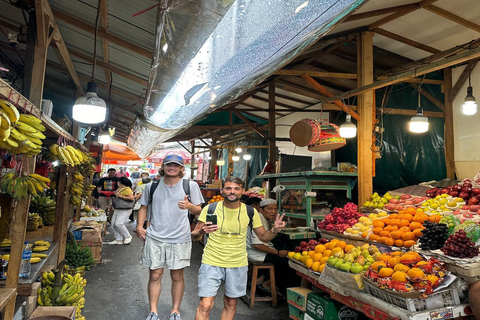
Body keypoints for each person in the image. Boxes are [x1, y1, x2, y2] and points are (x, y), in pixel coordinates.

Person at [191, 176, 286, 320]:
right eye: (228, 188)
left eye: (236, 188)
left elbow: (263, 237)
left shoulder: (250, 212)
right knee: (205, 305)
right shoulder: (210, 208)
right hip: (212, 261)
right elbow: (194, 236)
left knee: (230, 303)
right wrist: (201, 232)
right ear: (222, 190)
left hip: (237, 263)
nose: (232, 192)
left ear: (242, 191)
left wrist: (274, 230)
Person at [136, 155, 204, 320]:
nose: (172, 167)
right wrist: (139, 226)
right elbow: (143, 207)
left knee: (177, 276)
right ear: (163, 166)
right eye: (169, 164)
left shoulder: (190, 185)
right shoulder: (151, 186)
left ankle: (175, 311)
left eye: (176, 165)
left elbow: (200, 210)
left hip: (180, 237)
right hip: (155, 236)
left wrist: (190, 206)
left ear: (182, 168)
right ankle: (153, 312)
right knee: (155, 275)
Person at [246, 198, 300, 296]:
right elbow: (257, 245)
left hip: (260, 251)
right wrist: (278, 253)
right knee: (287, 263)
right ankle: (277, 289)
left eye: (275, 209)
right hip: (256, 254)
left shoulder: (264, 219)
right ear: (261, 210)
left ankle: (264, 281)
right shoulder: (258, 219)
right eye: (270, 209)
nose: (273, 212)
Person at [105, 177, 135, 245]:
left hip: (125, 209)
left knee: (118, 223)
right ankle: (118, 239)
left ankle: (127, 236)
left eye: (118, 182)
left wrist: (120, 196)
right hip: (118, 208)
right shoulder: (121, 189)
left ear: (121, 182)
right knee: (113, 224)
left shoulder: (127, 189)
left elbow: (131, 198)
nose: (117, 183)